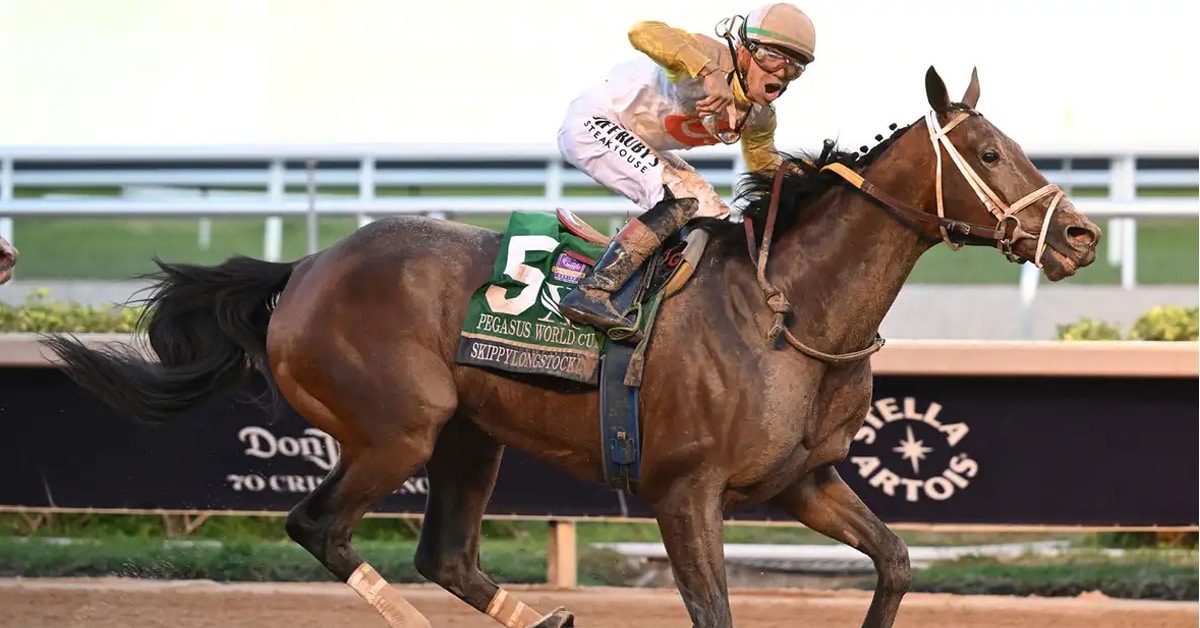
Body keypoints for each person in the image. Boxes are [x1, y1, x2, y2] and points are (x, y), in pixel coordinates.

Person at [555, 3, 817, 339]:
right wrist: (707, 73)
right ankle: (592, 292)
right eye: (771, 57)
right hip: (593, 122)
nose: (781, 73)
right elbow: (642, 30)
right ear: (744, 51)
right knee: (679, 198)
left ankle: (664, 304)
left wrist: (821, 178)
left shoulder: (760, 118)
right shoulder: (707, 55)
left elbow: (766, 168)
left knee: (714, 214)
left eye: (794, 66)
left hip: (636, 140)